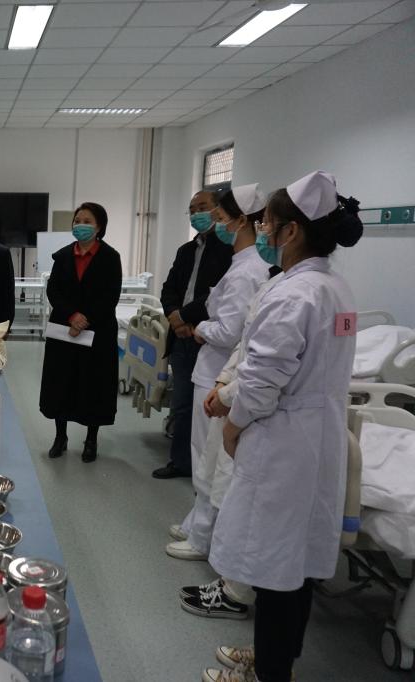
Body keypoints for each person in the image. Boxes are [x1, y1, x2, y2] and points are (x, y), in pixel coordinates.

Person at [203, 171, 363, 682]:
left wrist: (234, 425)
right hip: (318, 438)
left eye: (268, 223)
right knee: (298, 567)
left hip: (284, 444)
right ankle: (277, 661)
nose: (263, 231)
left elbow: (261, 383)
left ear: (291, 231)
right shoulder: (334, 288)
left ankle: (269, 673)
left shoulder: (293, 296)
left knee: (274, 570)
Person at [167, 184, 271, 561]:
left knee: (209, 459)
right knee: (207, 458)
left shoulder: (247, 270)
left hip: (217, 372)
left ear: (241, 221)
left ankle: (203, 536)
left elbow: (228, 331)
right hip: (215, 370)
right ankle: (197, 522)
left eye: (221, 218)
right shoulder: (242, 264)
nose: (217, 225)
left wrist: (199, 328)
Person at [153, 190, 234, 479]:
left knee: (206, 408)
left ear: (218, 211)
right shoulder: (186, 251)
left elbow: (216, 295)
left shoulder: (229, 251)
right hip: (181, 336)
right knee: (182, 403)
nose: (197, 213)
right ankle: (180, 462)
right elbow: (169, 288)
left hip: (209, 337)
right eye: (192, 209)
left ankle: (205, 469)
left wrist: (185, 317)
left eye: (203, 207)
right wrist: (174, 316)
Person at [39, 203, 123, 462]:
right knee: (61, 382)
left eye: (87, 221)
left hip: (97, 331)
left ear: (99, 227)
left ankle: (91, 440)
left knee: (94, 383)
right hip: (64, 330)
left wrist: (85, 319)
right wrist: (71, 316)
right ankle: (60, 437)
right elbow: (54, 290)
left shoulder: (110, 257)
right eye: (77, 220)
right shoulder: (63, 256)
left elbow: (110, 295)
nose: (80, 225)